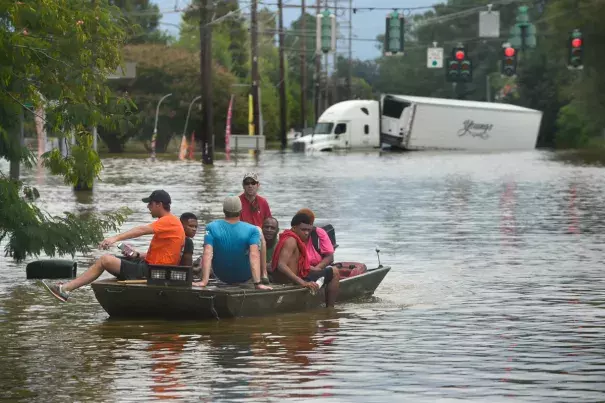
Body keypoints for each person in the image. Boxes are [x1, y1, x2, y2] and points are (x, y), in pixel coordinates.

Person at [42, 189, 185, 302]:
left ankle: (66, 289)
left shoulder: (168, 221)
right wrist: (137, 254)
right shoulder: (172, 222)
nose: (148, 207)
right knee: (112, 257)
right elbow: (167, 253)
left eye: (150, 204)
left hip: (151, 272)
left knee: (105, 260)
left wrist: (115, 238)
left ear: (159, 204)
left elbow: (141, 230)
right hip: (152, 266)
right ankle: (67, 287)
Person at [193, 196, 272, 290]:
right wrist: (257, 284)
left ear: (223, 210)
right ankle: (264, 274)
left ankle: (205, 279)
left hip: (221, 275)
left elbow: (207, 253)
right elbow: (254, 255)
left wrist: (204, 281)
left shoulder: (211, 227)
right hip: (244, 275)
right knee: (259, 231)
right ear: (241, 210)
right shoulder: (252, 230)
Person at [270, 212, 340, 307]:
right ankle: (330, 310)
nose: (306, 233)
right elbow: (281, 265)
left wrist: (314, 269)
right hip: (291, 280)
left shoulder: (290, 237)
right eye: (303, 229)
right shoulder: (291, 240)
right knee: (335, 271)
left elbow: (297, 263)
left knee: (325, 271)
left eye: (308, 230)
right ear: (294, 228)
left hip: (293, 276)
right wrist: (303, 282)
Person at [239, 172, 272, 282]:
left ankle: (264, 272)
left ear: (258, 185)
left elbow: (269, 222)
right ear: (243, 185)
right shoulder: (237, 202)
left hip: (260, 237)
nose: (250, 185)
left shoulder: (263, 202)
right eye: (247, 183)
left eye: (253, 183)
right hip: (243, 237)